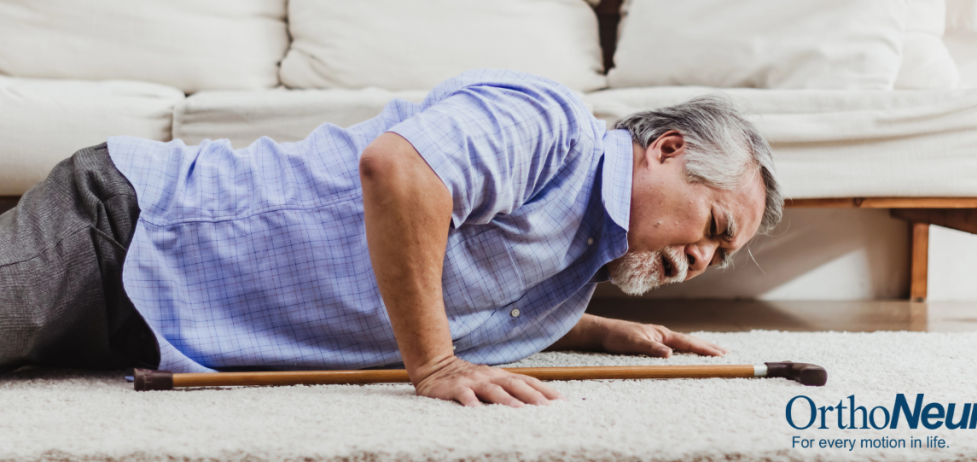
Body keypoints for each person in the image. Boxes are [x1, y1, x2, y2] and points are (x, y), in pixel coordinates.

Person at [0, 69, 783, 407]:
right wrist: (434, 365)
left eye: (720, 254)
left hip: (148, 328)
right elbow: (400, 172)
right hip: (130, 229)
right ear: (668, 148)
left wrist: (599, 329)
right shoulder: (551, 127)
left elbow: (455, 285)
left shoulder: (578, 269)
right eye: (713, 226)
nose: (702, 259)